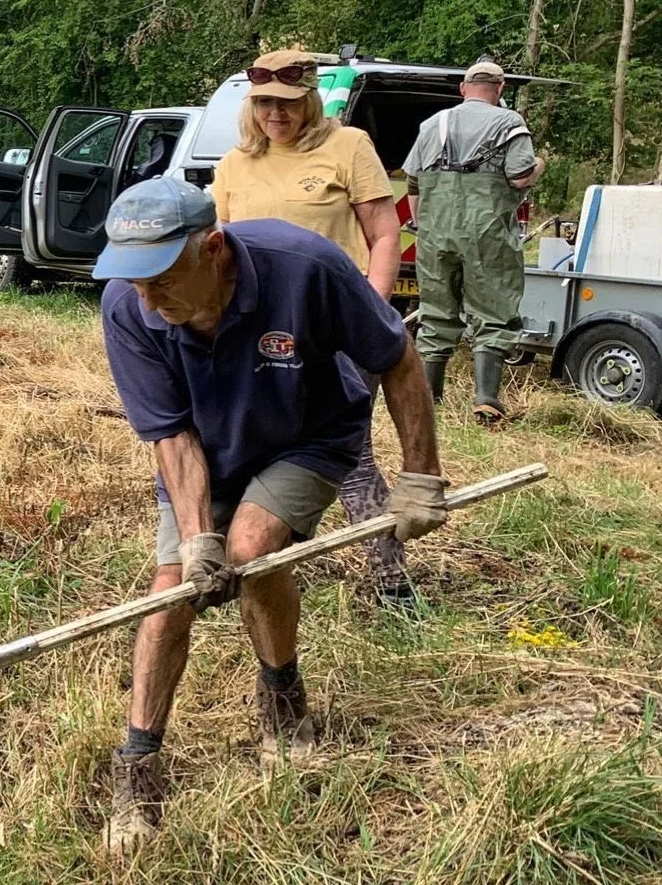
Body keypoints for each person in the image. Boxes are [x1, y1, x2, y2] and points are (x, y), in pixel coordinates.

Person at [94, 175, 446, 849]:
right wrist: (198, 540)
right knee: (171, 591)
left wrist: (421, 478)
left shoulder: (304, 267)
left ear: (214, 248)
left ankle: (282, 698)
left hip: (309, 434)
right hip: (207, 447)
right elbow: (172, 435)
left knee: (253, 552)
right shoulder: (129, 308)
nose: (146, 297)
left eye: (161, 278)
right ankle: (138, 766)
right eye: (132, 281)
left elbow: (398, 356)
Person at [212, 48, 414, 603]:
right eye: (265, 103)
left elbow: (384, 233)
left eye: (289, 102)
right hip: (259, 332)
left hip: (335, 326)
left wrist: (371, 308)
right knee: (256, 445)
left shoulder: (347, 146)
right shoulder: (234, 163)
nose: (277, 114)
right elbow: (220, 253)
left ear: (310, 101)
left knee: (350, 452)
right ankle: (258, 566)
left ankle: (392, 581)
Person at [403, 58, 540, 426]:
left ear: (463, 89)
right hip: (487, 231)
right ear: (500, 90)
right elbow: (521, 176)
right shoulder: (510, 122)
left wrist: (422, 224)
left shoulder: (433, 124)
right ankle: (486, 398)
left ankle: (430, 398)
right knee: (494, 311)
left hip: (435, 232)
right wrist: (539, 165)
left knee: (435, 311)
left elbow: (413, 183)